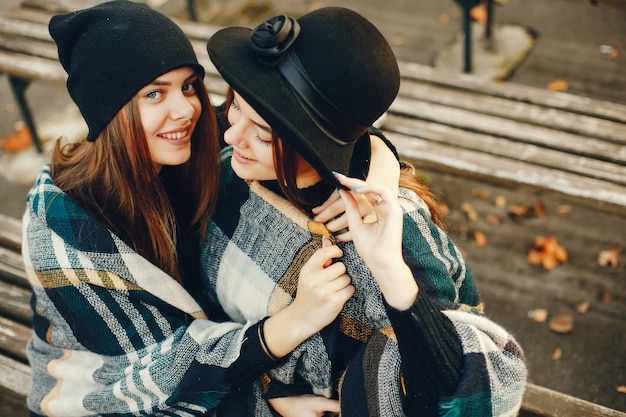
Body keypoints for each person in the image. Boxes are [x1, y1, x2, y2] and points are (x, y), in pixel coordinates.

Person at [22, 2, 398, 416]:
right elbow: (146, 376)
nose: (184, 109)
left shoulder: (202, 139)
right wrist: (292, 328)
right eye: (154, 93)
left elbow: (313, 122)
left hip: (216, 348)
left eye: (188, 85)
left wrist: (381, 169)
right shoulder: (65, 229)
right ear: (108, 110)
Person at [200, 7, 527, 417]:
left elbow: (465, 398)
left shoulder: (393, 233)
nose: (231, 134)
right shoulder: (228, 163)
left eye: (263, 134)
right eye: (234, 105)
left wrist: (389, 269)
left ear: (314, 148)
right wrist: (267, 395)